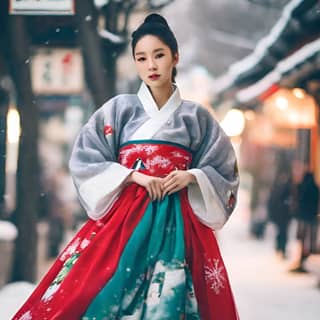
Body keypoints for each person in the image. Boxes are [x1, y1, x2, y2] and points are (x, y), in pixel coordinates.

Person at [13, 13, 240, 320]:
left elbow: (225, 168)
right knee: (96, 291)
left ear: (175, 57)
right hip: (125, 219)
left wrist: (192, 176)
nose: (151, 65)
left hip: (179, 221)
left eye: (159, 55)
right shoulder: (119, 109)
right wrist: (133, 176)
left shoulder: (195, 117)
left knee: (173, 298)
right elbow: (85, 157)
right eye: (142, 58)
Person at [291, 171, 319, 272]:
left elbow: (299, 201)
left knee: (302, 239)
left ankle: (303, 258)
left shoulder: (302, 187)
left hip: (303, 217)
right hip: (311, 217)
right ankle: (306, 256)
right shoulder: (315, 188)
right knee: (310, 239)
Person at [267, 171, 293, 259]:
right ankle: (281, 249)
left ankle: (280, 248)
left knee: (281, 233)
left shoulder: (276, 188)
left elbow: (271, 203)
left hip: (280, 216)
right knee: (283, 233)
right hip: (283, 216)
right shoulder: (286, 189)